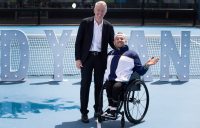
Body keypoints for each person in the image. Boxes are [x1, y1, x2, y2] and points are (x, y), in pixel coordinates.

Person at [75, 1, 115, 123]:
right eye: (98, 10)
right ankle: (84, 113)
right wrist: (78, 59)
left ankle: (98, 110)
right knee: (85, 85)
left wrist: (123, 48)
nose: (100, 13)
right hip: (86, 59)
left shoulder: (108, 26)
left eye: (102, 11)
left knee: (99, 86)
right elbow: (78, 42)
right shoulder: (85, 23)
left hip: (100, 59)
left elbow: (112, 44)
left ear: (105, 12)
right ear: (94, 10)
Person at [102, 32, 159, 118]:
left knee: (116, 87)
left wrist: (147, 65)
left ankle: (113, 109)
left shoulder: (132, 54)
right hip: (110, 79)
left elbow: (140, 71)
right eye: (117, 39)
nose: (119, 40)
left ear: (125, 40)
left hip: (124, 81)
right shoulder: (110, 53)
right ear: (114, 41)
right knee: (108, 85)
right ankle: (111, 108)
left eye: (121, 39)